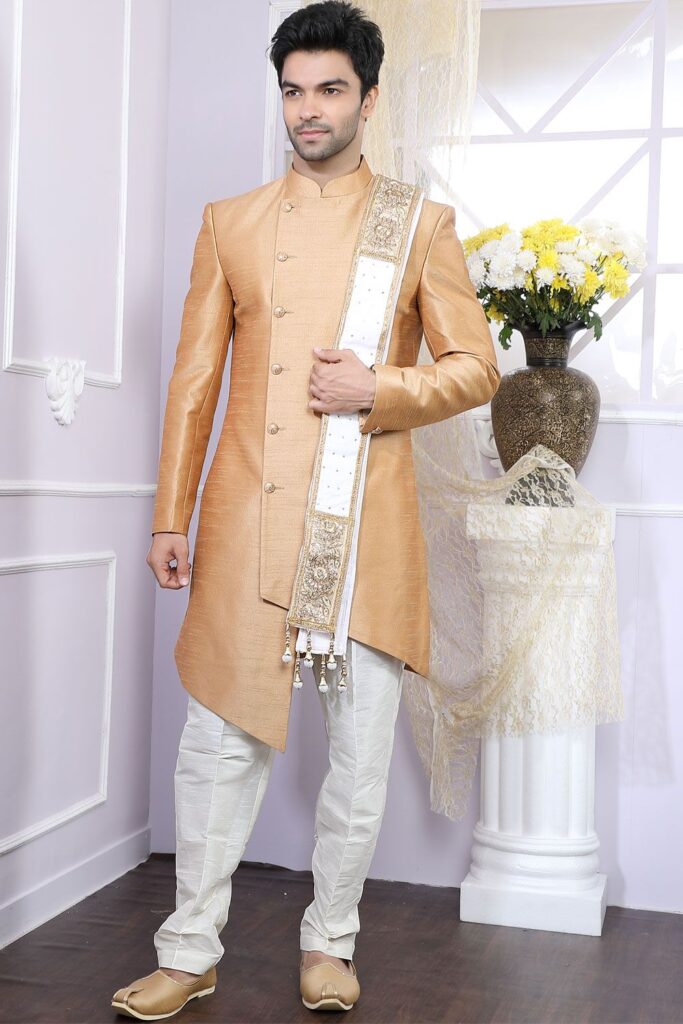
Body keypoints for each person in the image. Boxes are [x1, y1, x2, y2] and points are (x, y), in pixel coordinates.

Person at [111, 1, 500, 1019]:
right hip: (247, 516)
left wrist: (380, 388)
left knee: (359, 754)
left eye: (330, 89)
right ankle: (187, 950)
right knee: (214, 745)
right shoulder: (229, 223)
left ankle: (330, 943)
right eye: (293, 91)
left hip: (363, 523)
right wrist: (169, 515)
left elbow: (474, 368)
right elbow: (193, 383)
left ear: (368, 99)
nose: (308, 110)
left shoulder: (417, 224)